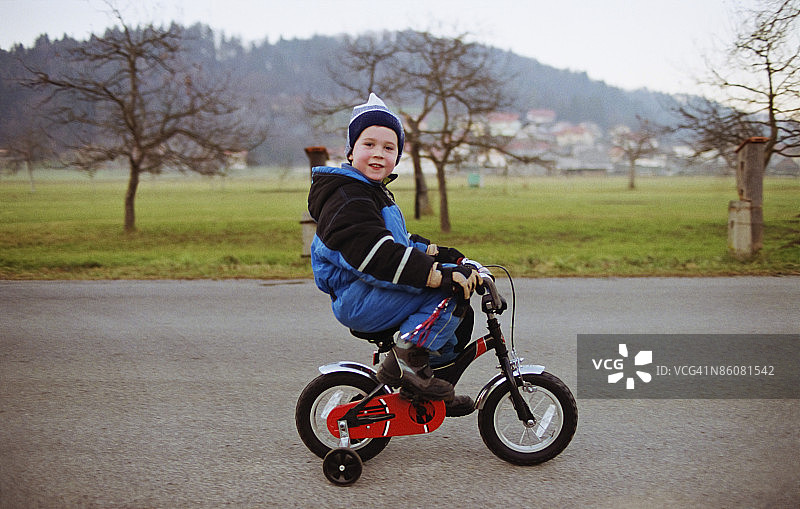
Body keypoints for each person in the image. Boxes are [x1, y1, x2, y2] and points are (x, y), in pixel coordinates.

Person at [307, 93, 481, 415]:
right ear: (350, 151)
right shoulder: (348, 198)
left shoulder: (369, 192)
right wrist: (437, 274)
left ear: (398, 156)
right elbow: (377, 255)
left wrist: (439, 253)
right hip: (360, 295)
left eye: (389, 148)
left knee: (456, 311)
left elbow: (396, 242)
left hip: (367, 289)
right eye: (368, 145)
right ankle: (410, 367)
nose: (378, 154)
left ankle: (424, 382)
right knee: (449, 295)